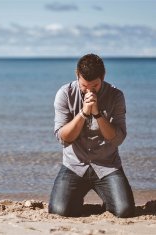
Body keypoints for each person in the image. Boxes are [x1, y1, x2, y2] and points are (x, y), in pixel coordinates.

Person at [49, 53, 135, 218]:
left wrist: (97, 114)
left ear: (103, 77)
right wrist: (83, 113)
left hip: (107, 165)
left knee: (124, 211)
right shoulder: (65, 93)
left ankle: (108, 200)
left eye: (94, 86)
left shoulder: (116, 96)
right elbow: (63, 138)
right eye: (84, 85)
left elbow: (118, 139)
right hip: (74, 165)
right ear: (77, 75)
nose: (89, 91)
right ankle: (74, 200)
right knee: (58, 212)